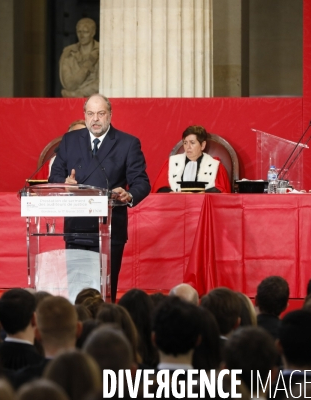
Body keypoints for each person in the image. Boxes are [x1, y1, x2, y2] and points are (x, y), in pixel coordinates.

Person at [49, 94, 151, 303]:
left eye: (100, 113)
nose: (95, 119)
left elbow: (142, 182)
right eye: (90, 114)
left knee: (103, 294)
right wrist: (65, 183)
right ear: (84, 116)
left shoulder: (127, 143)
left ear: (110, 115)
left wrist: (129, 194)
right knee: (77, 293)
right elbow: (55, 176)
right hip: (76, 228)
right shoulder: (70, 140)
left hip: (109, 229)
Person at [152, 125, 231, 193]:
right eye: (185, 143)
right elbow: (159, 189)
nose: (188, 147)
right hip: (176, 206)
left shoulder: (215, 166)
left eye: (192, 143)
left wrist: (198, 195)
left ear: (202, 145)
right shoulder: (171, 163)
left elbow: (222, 192)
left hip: (203, 207)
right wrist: (172, 194)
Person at [59, 18, 99, 98]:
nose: (81, 36)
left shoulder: (102, 52)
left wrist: (78, 93)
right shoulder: (68, 53)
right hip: (72, 103)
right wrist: (87, 65)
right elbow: (69, 85)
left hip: (96, 101)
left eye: (85, 32)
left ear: (93, 33)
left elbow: (102, 83)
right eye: (79, 32)